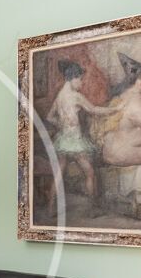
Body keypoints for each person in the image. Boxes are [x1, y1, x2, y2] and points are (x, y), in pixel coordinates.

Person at [47, 61, 112, 204]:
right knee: (90, 172)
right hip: (74, 142)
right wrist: (114, 110)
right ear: (73, 77)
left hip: (63, 139)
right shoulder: (75, 96)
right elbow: (94, 109)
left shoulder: (59, 96)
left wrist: (61, 125)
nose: (82, 83)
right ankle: (92, 206)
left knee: (58, 174)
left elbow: (49, 117)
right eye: (80, 79)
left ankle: (50, 206)